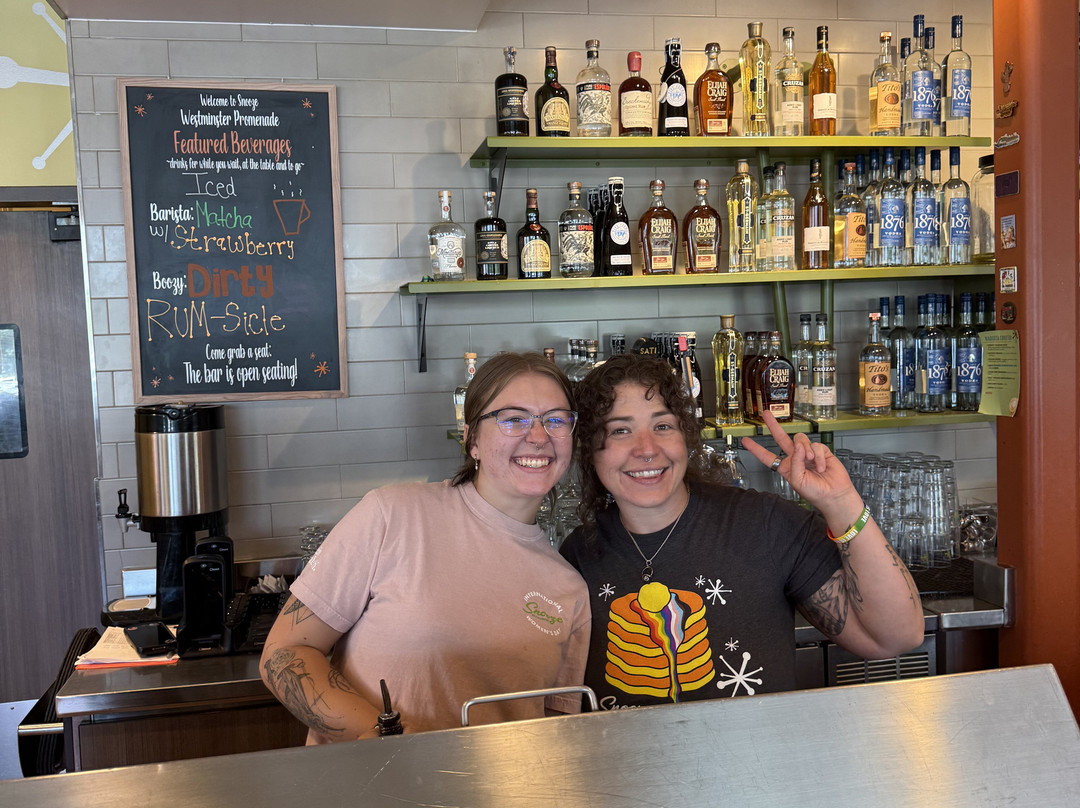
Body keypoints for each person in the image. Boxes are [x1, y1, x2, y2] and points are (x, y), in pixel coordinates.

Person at [261, 352, 591, 743]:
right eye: (513, 418)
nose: (538, 436)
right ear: (472, 439)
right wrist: (386, 740)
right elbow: (284, 653)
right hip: (369, 778)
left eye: (556, 419)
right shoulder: (393, 515)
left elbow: (554, 734)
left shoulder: (569, 589)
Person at [560, 354, 923, 709]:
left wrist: (841, 502)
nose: (646, 449)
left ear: (686, 437)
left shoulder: (764, 524)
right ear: (590, 450)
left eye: (663, 426)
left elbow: (895, 638)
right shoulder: (578, 556)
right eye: (620, 430)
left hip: (757, 751)